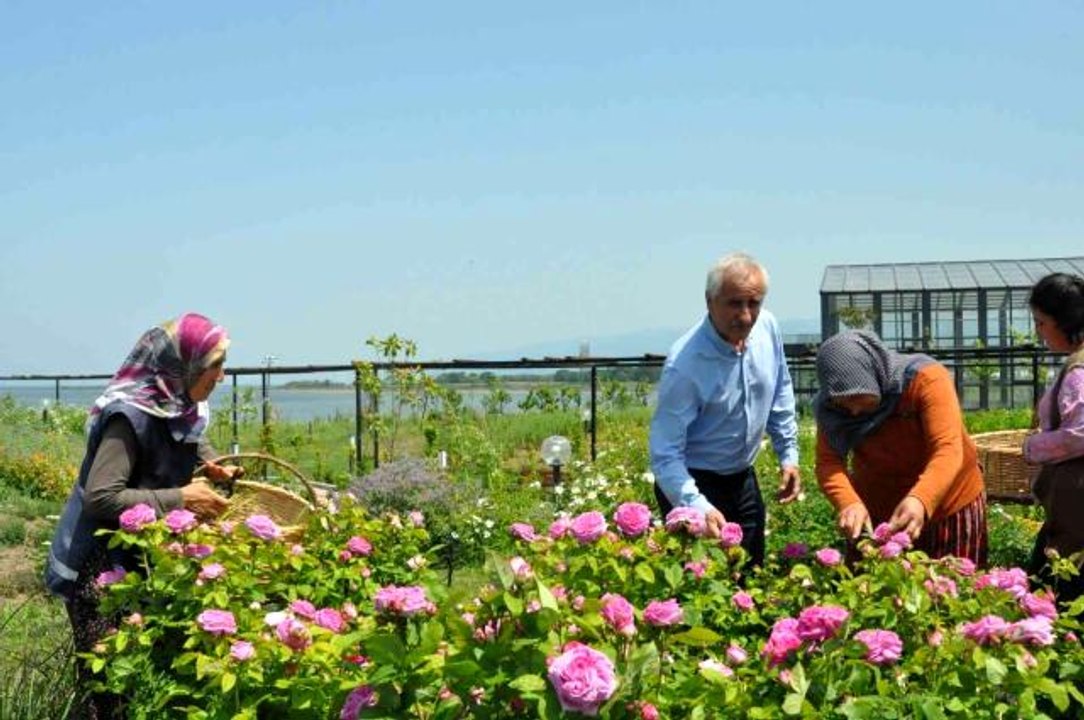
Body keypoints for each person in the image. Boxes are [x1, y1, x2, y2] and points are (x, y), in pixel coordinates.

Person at [45, 313, 240, 719]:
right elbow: (101, 498)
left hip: (141, 559)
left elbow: (182, 436)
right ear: (183, 366)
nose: (221, 376)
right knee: (110, 691)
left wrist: (212, 465)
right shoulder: (128, 417)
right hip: (101, 571)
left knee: (146, 685)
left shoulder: (178, 404)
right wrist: (181, 498)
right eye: (215, 365)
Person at [650, 252, 802, 567]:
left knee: (751, 574)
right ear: (710, 301)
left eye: (754, 303)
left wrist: (788, 455)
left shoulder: (767, 328)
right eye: (734, 303)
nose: (745, 316)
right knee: (700, 583)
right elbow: (665, 455)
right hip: (694, 481)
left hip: (743, 478)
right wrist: (697, 506)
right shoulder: (685, 365)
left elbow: (780, 389)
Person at [813, 329, 987, 565]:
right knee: (878, 583)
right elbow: (828, 462)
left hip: (948, 504)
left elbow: (948, 449)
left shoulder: (925, 379)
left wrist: (921, 499)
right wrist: (848, 502)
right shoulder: (831, 408)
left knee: (950, 582)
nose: (853, 411)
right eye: (843, 403)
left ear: (874, 375)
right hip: (880, 510)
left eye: (859, 397)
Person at [1023, 272, 1084, 603]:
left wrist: (1033, 447)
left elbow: (1080, 433)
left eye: (1041, 322)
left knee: (1052, 598)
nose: (1039, 331)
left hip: (1076, 512)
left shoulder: (1078, 371)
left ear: (1065, 321)